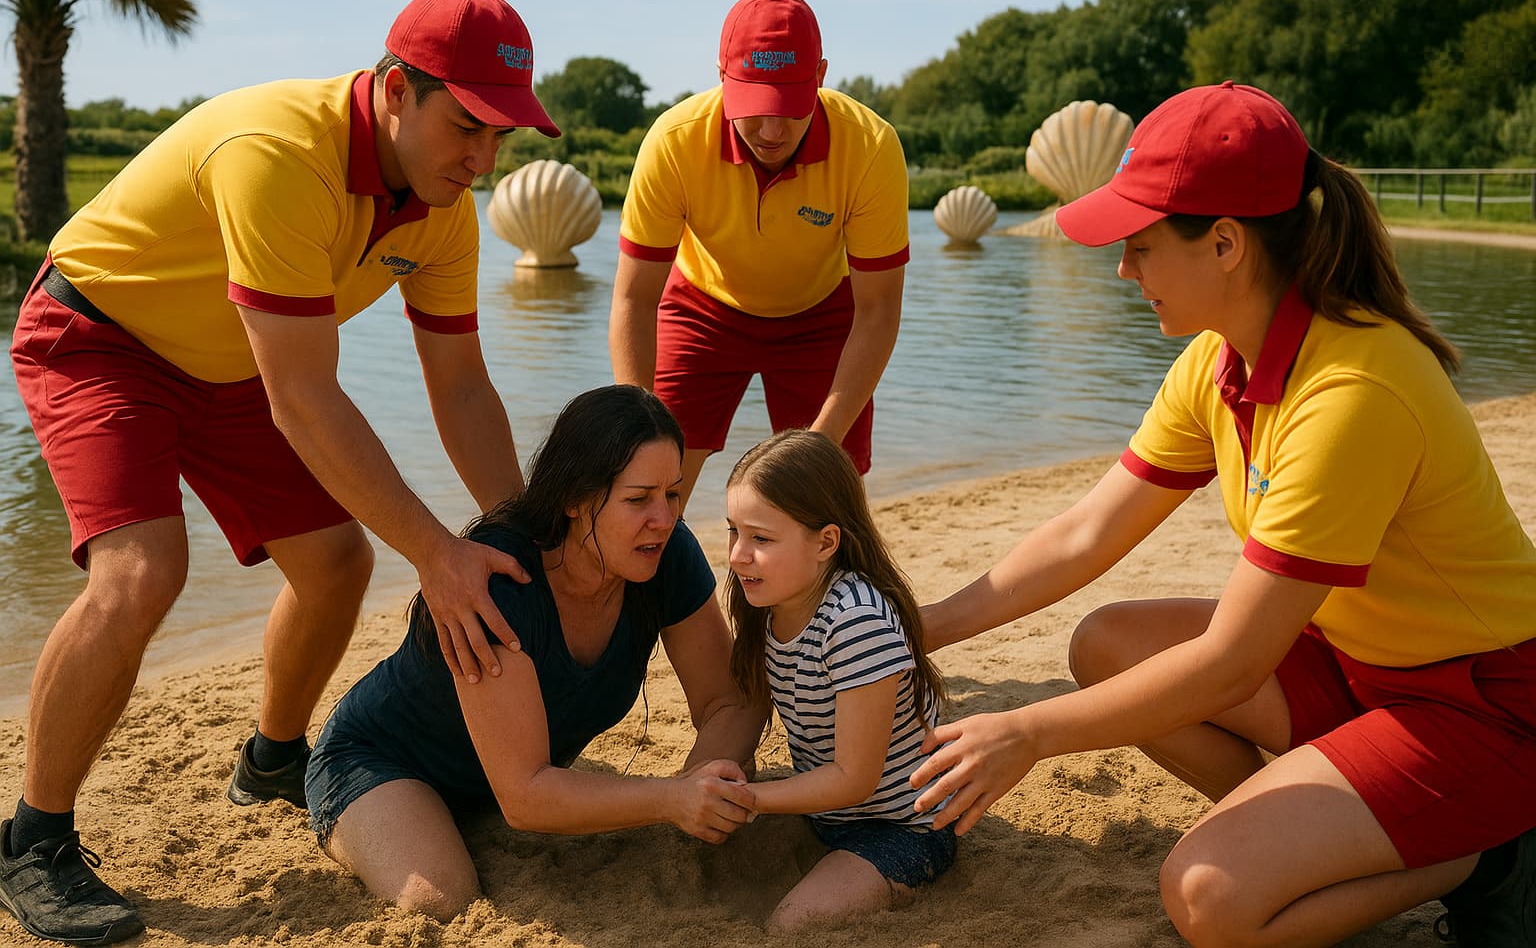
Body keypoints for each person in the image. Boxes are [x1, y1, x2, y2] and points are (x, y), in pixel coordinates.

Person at [909, 81, 1536, 947]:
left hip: (1480, 707)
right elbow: (1086, 534)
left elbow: (1232, 663)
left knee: (1209, 898)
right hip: (1353, 662)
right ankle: (1317, 824)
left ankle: (1493, 853)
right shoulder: (1219, 360)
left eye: (1139, 245)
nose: (1122, 269)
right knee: (1105, 644)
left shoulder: (1353, 391)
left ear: (1227, 244)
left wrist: (1025, 732)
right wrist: (923, 629)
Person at [2, 0, 561, 946]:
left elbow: (463, 388)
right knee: (145, 571)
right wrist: (436, 553)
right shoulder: (278, 152)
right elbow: (305, 397)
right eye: (466, 125)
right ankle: (32, 840)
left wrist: (522, 530)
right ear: (394, 90)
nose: (482, 158)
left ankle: (271, 757)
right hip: (99, 334)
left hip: (235, 363)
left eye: (501, 136)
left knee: (338, 563)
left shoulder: (443, 211)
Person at [304, 385, 763, 920]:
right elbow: (525, 798)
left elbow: (731, 699)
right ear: (573, 499)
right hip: (384, 758)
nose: (663, 519)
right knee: (438, 904)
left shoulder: (665, 554)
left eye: (674, 494)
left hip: (508, 776)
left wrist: (705, 782)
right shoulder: (502, 585)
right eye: (638, 499)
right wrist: (672, 798)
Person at [609, 0, 910, 510]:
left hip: (819, 313)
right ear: (723, 77)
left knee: (827, 493)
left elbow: (879, 310)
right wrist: (635, 426)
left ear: (819, 77)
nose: (772, 131)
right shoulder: (673, 141)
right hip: (703, 306)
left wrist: (820, 443)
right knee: (648, 479)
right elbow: (634, 299)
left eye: (791, 108)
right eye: (754, 107)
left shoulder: (871, 146)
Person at [724, 429, 954, 930]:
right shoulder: (767, 598)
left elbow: (855, 778)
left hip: (901, 826)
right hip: (826, 814)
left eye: (760, 538)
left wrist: (754, 798)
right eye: (733, 532)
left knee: (791, 924)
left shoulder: (855, 622)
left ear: (826, 542)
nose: (738, 555)